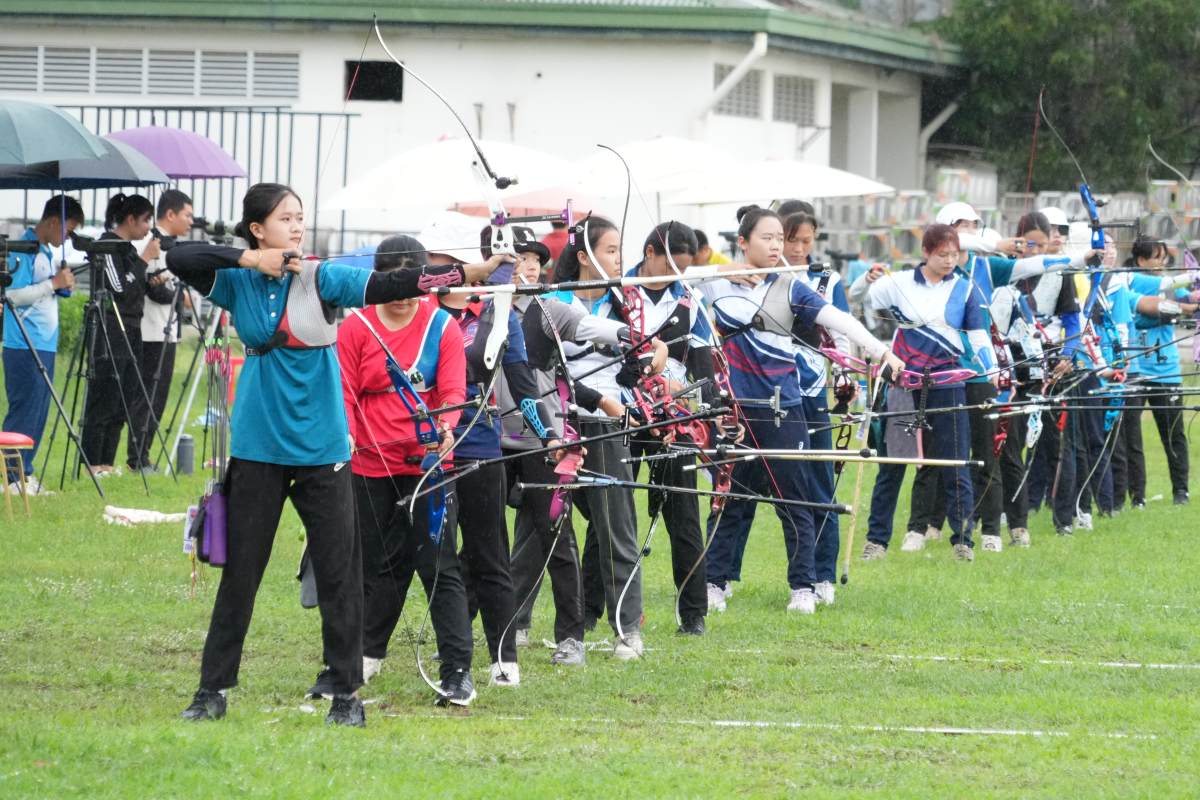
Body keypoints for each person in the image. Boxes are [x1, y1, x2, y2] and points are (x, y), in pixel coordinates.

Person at [166, 182, 505, 726]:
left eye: (301, 217)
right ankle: (212, 691)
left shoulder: (321, 276)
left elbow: (391, 281)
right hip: (258, 443)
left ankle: (347, 695)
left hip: (322, 445)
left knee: (341, 572)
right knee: (242, 572)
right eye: (286, 219)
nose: (298, 227)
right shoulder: (235, 282)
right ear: (258, 228)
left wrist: (464, 274)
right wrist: (255, 260)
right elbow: (178, 255)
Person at [701, 205, 901, 609]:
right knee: (731, 498)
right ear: (742, 242)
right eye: (767, 238)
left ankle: (803, 586)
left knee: (795, 500)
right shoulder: (713, 284)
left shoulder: (792, 287)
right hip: (736, 413)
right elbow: (661, 272)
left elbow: (841, 321)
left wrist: (882, 353)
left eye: (780, 239)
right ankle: (713, 583)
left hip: (783, 408)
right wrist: (719, 272)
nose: (777, 246)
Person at [336, 234, 478, 707]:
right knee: (369, 565)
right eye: (390, 284)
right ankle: (355, 659)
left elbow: (453, 393)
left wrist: (444, 429)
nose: (400, 296)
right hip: (368, 464)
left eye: (410, 284)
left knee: (438, 565)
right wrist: (351, 435)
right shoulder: (355, 327)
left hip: (429, 464)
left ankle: (457, 671)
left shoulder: (443, 327)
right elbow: (346, 392)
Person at [554, 215, 668, 658]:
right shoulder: (552, 299)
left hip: (608, 422)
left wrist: (656, 354)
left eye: (621, 250)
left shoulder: (629, 301)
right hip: (558, 422)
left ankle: (628, 630)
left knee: (617, 525)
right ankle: (518, 624)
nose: (619, 259)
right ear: (583, 257)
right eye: (609, 250)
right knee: (541, 525)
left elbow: (655, 348)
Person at [597, 221, 716, 633]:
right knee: (610, 511)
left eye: (683, 269)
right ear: (649, 253)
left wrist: (698, 409)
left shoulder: (691, 299)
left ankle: (694, 613)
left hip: (672, 416)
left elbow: (704, 361)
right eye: (670, 266)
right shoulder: (615, 292)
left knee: (684, 513)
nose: (676, 277)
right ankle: (594, 610)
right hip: (624, 412)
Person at [854, 224, 992, 561]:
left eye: (954, 254)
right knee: (893, 463)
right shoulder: (898, 283)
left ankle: (963, 541)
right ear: (926, 253)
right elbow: (857, 298)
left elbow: (977, 336)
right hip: (903, 382)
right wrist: (866, 279)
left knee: (954, 461)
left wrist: (992, 372)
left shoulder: (964, 287)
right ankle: (877, 541)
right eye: (942, 254)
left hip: (948, 383)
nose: (949, 261)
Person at [79, 193, 173, 477]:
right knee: (104, 395)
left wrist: (153, 278)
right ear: (130, 219)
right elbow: (118, 289)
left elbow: (137, 286)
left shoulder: (130, 251)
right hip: (109, 328)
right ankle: (92, 462)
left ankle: (107, 462)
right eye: (146, 221)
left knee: (124, 397)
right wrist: (145, 260)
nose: (148, 229)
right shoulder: (107, 246)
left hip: (133, 329)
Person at [2, 195, 81, 492]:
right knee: (24, 409)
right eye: (67, 230)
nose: (68, 237)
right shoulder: (24, 249)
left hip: (44, 345)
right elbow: (12, 295)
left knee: (39, 411)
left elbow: (46, 291)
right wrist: (53, 284)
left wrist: (61, 286)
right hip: (22, 345)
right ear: (53, 221)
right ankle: (11, 476)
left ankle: (26, 472)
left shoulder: (46, 252)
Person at [126, 189, 196, 472]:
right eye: (187, 215)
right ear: (170, 214)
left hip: (168, 330)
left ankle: (145, 455)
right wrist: (181, 296)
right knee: (148, 394)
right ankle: (136, 458)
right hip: (151, 330)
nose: (191, 221)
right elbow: (153, 289)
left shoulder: (172, 247)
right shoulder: (151, 243)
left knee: (160, 395)